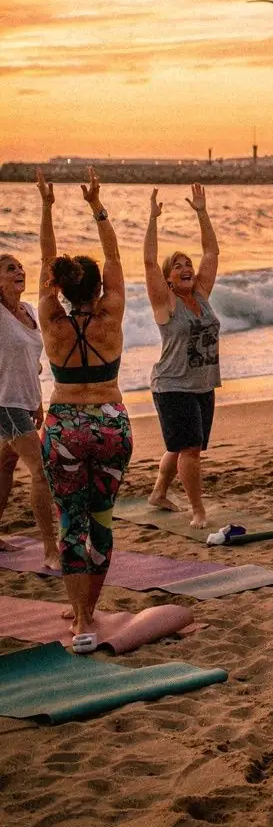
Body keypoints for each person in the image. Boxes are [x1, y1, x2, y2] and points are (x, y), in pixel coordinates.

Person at [37, 168, 132, 643]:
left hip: (65, 424)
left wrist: (47, 206)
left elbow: (45, 260)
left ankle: (79, 622)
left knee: (70, 522)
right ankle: (91, 608)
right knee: (101, 518)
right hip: (111, 422)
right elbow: (113, 254)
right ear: (96, 289)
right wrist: (97, 207)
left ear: (61, 288)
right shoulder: (111, 313)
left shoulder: (52, 319)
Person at [144, 185, 221, 528]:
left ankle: (159, 492)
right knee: (189, 449)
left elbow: (212, 252)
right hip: (173, 385)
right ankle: (198, 511)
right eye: (177, 266)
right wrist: (152, 219)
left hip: (203, 384)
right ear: (168, 280)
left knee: (181, 446)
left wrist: (202, 212)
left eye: (187, 263)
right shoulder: (167, 303)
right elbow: (148, 261)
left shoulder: (202, 294)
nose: (187, 267)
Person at [0, 252, 60, 568]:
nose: (20, 271)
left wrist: (37, 400)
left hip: (25, 400)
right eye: (11, 269)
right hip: (5, 403)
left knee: (6, 465)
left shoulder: (29, 311)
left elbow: (30, 361)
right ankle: (51, 550)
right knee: (42, 470)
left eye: (21, 267)